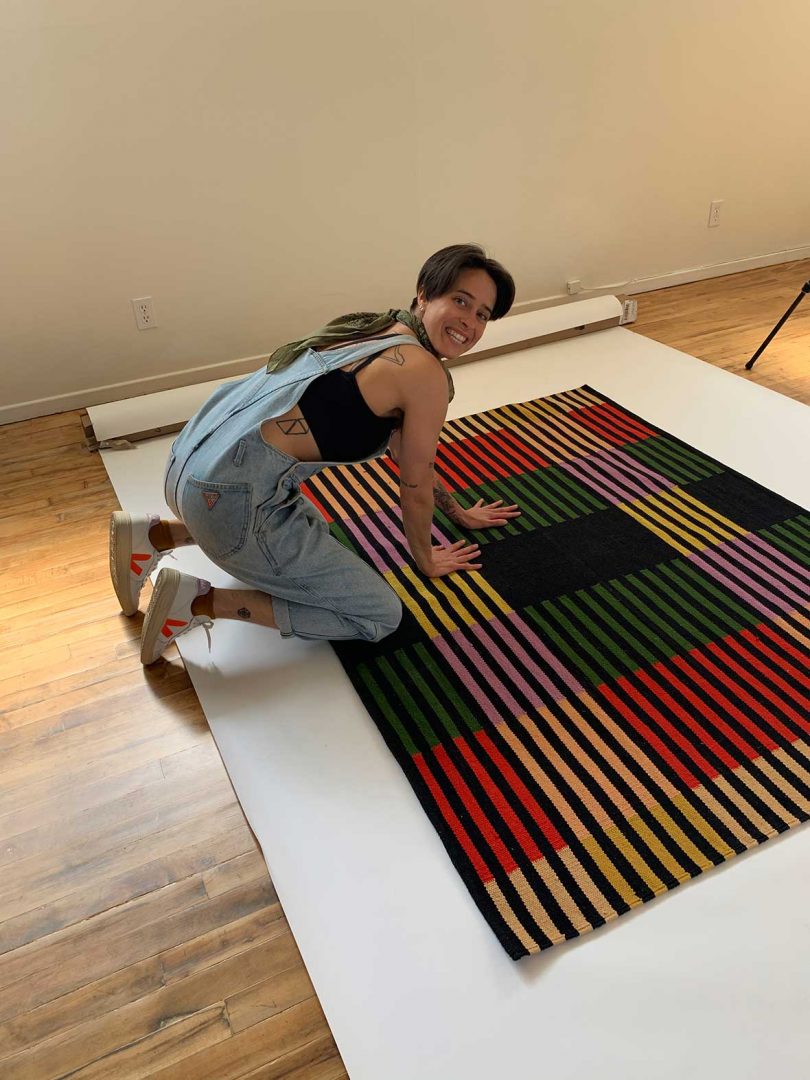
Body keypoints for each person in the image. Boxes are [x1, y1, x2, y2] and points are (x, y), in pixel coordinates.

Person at [109, 243, 520, 665]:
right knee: (379, 614)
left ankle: (155, 536)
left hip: (188, 466)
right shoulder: (423, 373)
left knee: (309, 526)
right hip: (227, 505)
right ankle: (197, 602)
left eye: (482, 315)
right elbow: (413, 483)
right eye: (460, 301)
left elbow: (409, 455)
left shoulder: (371, 327)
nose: (468, 323)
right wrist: (426, 559)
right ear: (423, 293)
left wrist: (459, 514)